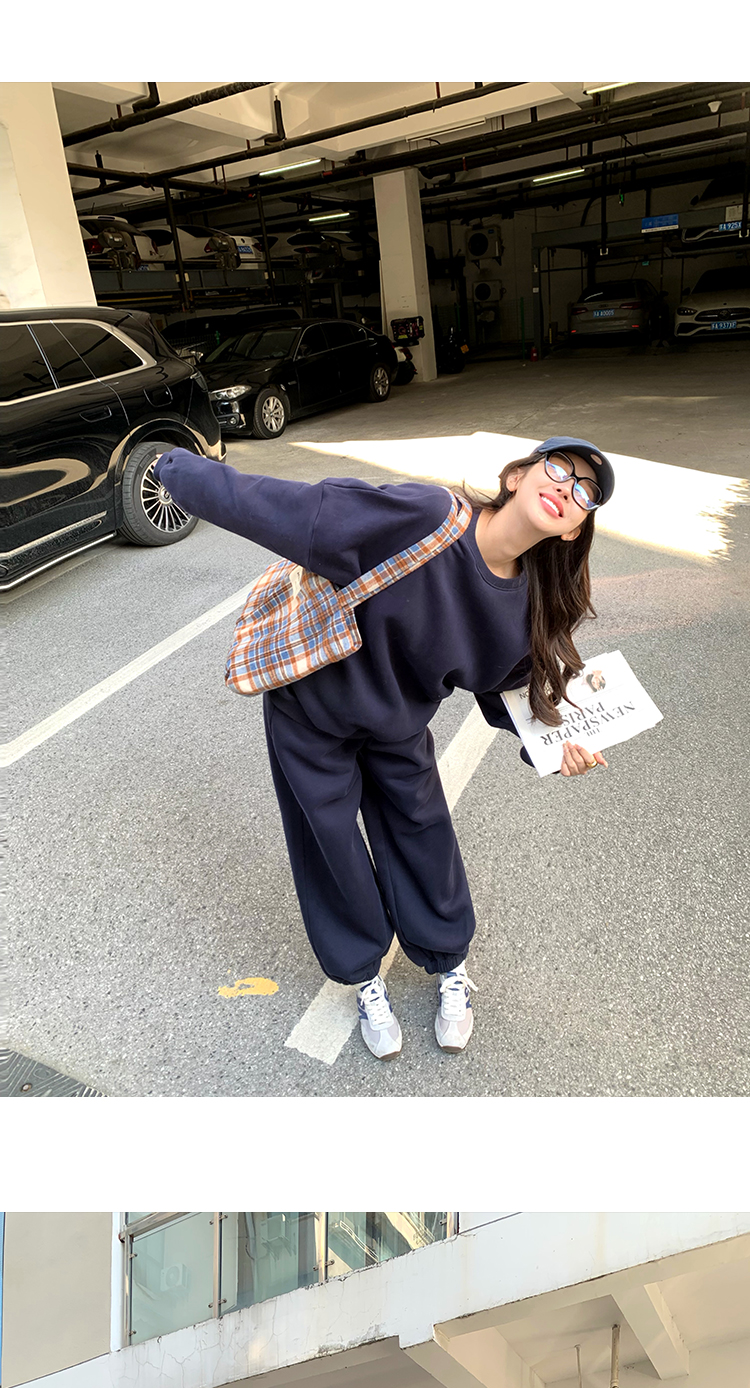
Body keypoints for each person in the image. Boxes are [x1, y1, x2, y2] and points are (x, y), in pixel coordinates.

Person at [152, 431, 614, 1062]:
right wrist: (176, 468)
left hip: (398, 726)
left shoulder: (527, 605)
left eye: (585, 492)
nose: (568, 488)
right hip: (311, 714)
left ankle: (448, 962)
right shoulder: (426, 517)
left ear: (573, 530)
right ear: (517, 477)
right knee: (330, 845)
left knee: (424, 834)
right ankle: (364, 975)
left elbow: (506, 690)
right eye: (559, 469)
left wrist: (555, 746)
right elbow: (294, 510)